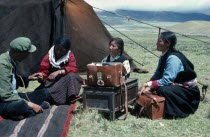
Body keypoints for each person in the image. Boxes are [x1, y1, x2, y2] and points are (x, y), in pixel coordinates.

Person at [138, 31, 200, 118]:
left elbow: (167, 80)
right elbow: (158, 73)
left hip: (188, 91)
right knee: (154, 88)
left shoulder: (173, 58)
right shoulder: (164, 55)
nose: (156, 43)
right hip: (177, 85)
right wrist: (147, 85)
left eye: (160, 41)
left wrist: (149, 85)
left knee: (162, 90)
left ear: (168, 43)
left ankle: (179, 111)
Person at [0, 37, 49, 120]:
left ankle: (25, 111)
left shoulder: (10, 60)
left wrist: (29, 78)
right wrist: (32, 105)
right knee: (22, 106)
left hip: (13, 96)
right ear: (18, 53)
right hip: (3, 101)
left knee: (44, 93)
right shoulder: (3, 65)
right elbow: (6, 95)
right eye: (27, 53)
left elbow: (12, 82)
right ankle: (27, 110)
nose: (28, 55)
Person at [32, 36, 83, 105]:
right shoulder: (49, 56)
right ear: (54, 47)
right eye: (57, 49)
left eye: (62, 50)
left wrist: (59, 72)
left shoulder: (69, 55)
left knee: (72, 75)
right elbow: (43, 70)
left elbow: (73, 68)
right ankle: (53, 98)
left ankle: (72, 97)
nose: (58, 52)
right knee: (42, 93)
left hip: (64, 82)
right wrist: (41, 77)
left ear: (67, 50)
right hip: (51, 83)